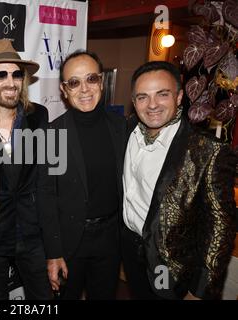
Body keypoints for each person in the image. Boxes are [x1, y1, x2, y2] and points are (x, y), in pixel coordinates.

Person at [122, 61, 236, 300]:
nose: (152, 105)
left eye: (162, 95)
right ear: (134, 102)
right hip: (130, 250)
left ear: (180, 96)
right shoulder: (128, 130)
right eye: (143, 97)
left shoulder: (207, 150)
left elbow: (220, 227)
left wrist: (199, 290)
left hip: (171, 265)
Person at [38, 50, 126, 299]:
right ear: (64, 90)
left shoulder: (123, 127)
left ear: (102, 81)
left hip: (111, 240)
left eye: (91, 79)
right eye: (74, 83)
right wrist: (53, 253)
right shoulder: (52, 135)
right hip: (69, 243)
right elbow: (46, 197)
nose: (84, 89)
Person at [0, 39, 53, 300]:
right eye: (0, 74)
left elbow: (48, 178)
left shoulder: (39, 116)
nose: (10, 82)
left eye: (17, 74)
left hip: (32, 233)